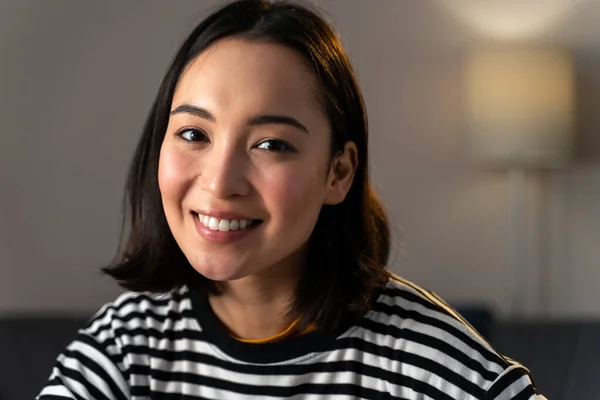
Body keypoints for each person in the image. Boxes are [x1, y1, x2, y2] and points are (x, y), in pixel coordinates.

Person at [37, 0, 545, 399]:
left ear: (338, 172)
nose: (220, 182)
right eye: (194, 134)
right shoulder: (128, 346)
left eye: (271, 144)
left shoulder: (421, 356)